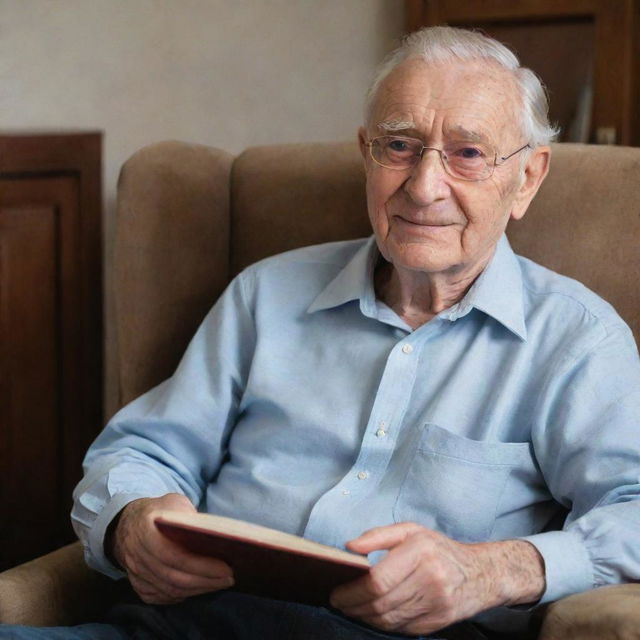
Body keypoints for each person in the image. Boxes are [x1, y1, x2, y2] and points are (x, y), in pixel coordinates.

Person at [3, 25, 640, 640]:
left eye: (468, 154)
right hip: (179, 624)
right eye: (399, 146)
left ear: (527, 177)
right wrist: (131, 522)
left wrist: (494, 570)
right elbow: (140, 453)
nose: (423, 187)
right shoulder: (265, 295)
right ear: (367, 151)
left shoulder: (576, 340)